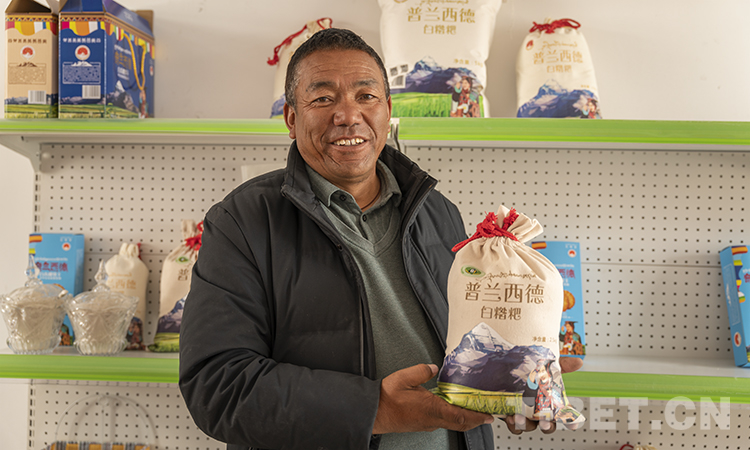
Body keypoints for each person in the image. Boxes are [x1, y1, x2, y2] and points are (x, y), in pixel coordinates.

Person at [179, 28, 572, 450]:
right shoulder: (242, 221)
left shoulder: (439, 213)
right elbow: (216, 385)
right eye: (323, 98)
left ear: (387, 110)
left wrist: (508, 380)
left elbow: (467, 347)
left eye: (366, 96)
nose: (348, 115)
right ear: (291, 118)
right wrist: (374, 409)